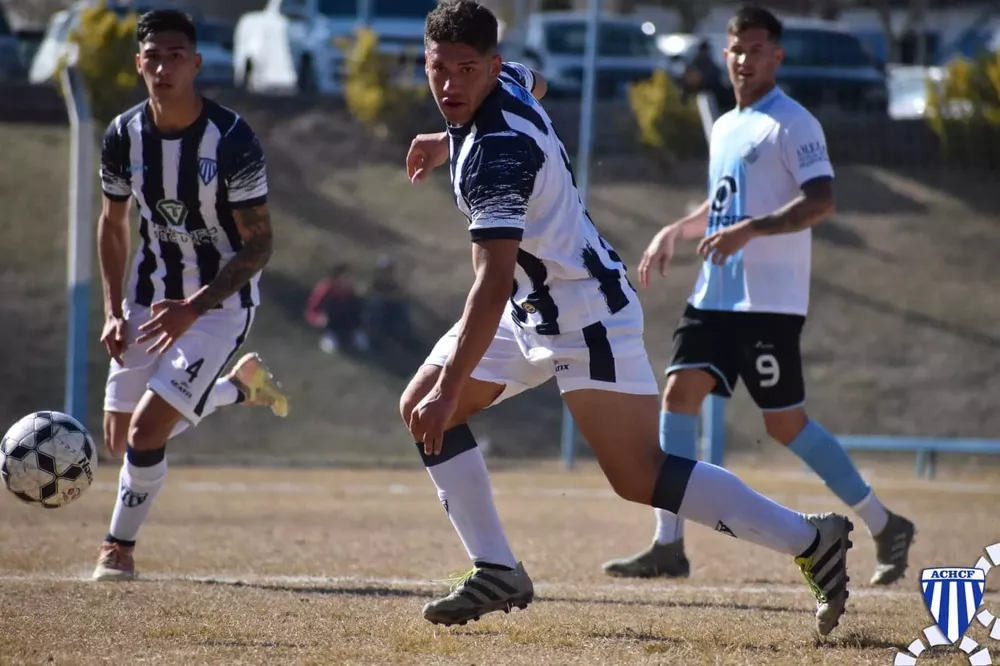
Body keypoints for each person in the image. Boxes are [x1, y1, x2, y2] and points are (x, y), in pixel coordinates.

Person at [401, 0, 852, 636]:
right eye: (437, 68)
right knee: (419, 404)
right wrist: (447, 138)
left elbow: (491, 278)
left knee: (639, 476)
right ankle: (497, 568)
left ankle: (811, 541)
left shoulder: (496, 156)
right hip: (531, 307)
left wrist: (455, 392)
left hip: (585, 315)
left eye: (464, 69)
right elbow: (537, 82)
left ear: (491, 65)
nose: (449, 84)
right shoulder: (504, 81)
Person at [601, 5, 915, 587]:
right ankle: (667, 545)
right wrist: (678, 228)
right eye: (736, 49)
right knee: (677, 395)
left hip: (767, 303)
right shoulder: (725, 125)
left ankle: (883, 522)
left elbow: (820, 201)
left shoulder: (793, 123)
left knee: (784, 425)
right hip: (713, 297)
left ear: (777, 55)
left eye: (756, 48)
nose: (744, 59)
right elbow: (721, 206)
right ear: (726, 55)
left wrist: (752, 230)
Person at [93, 9, 289, 581]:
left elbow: (259, 246)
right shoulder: (122, 135)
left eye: (175, 55)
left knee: (145, 433)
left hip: (218, 305)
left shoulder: (232, 140)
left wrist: (194, 309)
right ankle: (236, 389)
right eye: (152, 56)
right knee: (117, 439)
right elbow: (113, 223)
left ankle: (117, 548)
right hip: (147, 297)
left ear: (196, 63)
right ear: (139, 64)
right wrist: (111, 311)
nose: (163, 67)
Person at [305, 263, 368, 354]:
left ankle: (355, 333)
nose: (348, 279)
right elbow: (312, 308)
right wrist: (317, 319)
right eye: (345, 276)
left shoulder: (350, 290)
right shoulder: (325, 288)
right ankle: (330, 336)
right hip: (328, 320)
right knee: (332, 305)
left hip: (347, 321)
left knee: (355, 303)